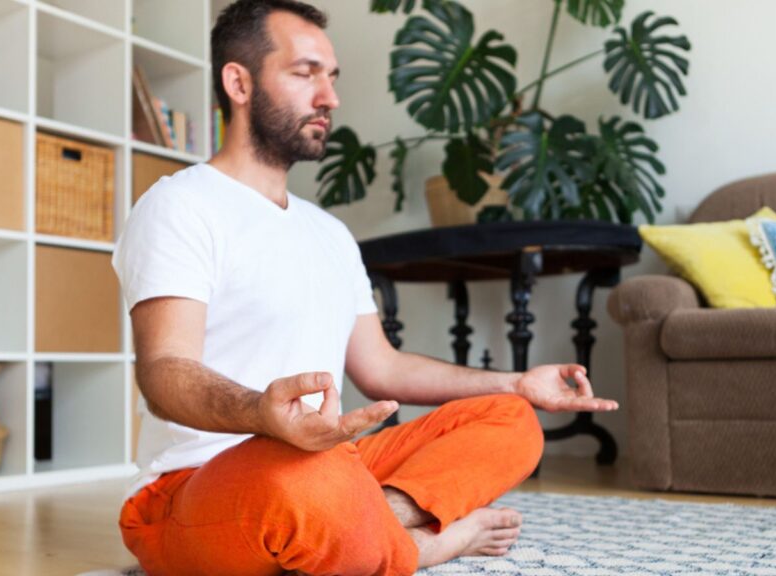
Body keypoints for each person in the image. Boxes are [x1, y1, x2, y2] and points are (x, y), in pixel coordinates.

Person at [112, 1, 618, 574]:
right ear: (239, 82)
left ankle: (361, 519)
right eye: (305, 73)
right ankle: (425, 544)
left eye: (332, 77)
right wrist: (261, 412)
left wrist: (519, 382)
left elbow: (381, 366)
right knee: (309, 482)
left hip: (325, 464)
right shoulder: (180, 205)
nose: (329, 96)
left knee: (510, 420)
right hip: (196, 486)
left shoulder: (328, 232)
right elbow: (164, 372)